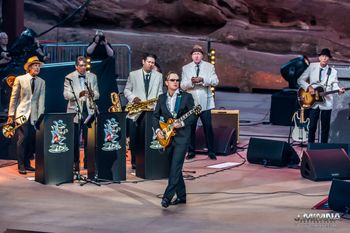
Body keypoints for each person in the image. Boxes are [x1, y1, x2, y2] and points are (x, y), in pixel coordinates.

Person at [153, 71, 196, 208]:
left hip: (182, 137)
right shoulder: (161, 98)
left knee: (175, 167)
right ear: (166, 82)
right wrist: (159, 131)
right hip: (167, 137)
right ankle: (182, 196)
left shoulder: (186, 97)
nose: (175, 82)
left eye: (177, 80)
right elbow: (155, 116)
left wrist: (182, 123)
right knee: (174, 168)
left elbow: (194, 115)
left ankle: (167, 197)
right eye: (172, 80)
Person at [123, 53, 163, 169]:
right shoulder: (133, 74)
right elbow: (126, 90)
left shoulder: (158, 76)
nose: (151, 64)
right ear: (143, 61)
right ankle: (135, 162)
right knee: (134, 138)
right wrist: (133, 98)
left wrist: (156, 105)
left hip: (150, 110)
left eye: (153, 63)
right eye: (149, 62)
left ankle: (147, 160)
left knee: (147, 137)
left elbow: (159, 92)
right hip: (135, 111)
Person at [7, 56, 45, 174]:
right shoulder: (20, 79)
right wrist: (11, 114)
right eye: (35, 65)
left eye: (38, 66)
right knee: (23, 138)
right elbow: (14, 97)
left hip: (34, 115)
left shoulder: (41, 81)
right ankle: (21, 164)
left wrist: (40, 116)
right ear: (29, 68)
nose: (37, 68)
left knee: (30, 140)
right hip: (22, 113)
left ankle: (27, 163)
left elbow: (41, 100)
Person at [298, 48, 345, 143]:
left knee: (325, 127)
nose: (324, 58)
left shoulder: (333, 71)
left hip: (326, 102)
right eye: (323, 56)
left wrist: (338, 90)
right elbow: (300, 80)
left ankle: (323, 148)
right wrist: (308, 87)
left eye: (327, 57)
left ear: (329, 59)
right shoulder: (312, 67)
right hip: (313, 101)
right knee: (312, 126)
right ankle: (310, 147)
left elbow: (334, 84)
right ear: (319, 57)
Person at [181, 44, 219, 160]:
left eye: (198, 54)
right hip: (192, 103)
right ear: (191, 56)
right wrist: (191, 82)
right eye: (194, 54)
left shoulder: (209, 67)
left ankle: (211, 151)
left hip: (205, 103)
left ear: (202, 56)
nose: (196, 56)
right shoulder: (185, 68)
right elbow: (182, 85)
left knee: (208, 126)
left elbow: (216, 81)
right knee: (191, 127)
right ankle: (191, 151)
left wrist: (203, 80)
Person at [63, 56, 100, 171]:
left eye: (85, 65)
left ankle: (88, 162)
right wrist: (80, 94)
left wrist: (92, 94)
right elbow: (66, 95)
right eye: (81, 66)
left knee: (89, 139)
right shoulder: (69, 77)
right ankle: (75, 162)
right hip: (75, 111)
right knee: (74, 140)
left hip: (89, 111)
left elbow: (98, 94)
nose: (83, 67)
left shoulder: (93, 76)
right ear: (76, 66)